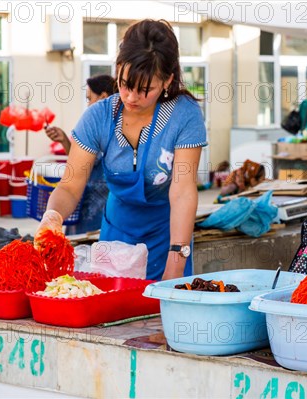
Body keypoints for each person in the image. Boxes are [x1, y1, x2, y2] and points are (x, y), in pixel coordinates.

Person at [35, 20, 207, 281]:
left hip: (168, 236)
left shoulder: (184, 116)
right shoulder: (98, 117)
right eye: (125, 84)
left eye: (144, 90)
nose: (131, 97)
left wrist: (176, 261)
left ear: (167, 80)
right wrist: (52, 216)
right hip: (116, 238)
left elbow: (183, 191)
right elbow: (70, 187)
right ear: (117, 70)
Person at [44, 74, 117, 235]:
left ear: (103, 97)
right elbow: (81, 162)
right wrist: (64, 139)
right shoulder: (95, 126)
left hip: (98, 212)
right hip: (86, 206)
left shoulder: (106, 129)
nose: (88, 104)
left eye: (89, 98)